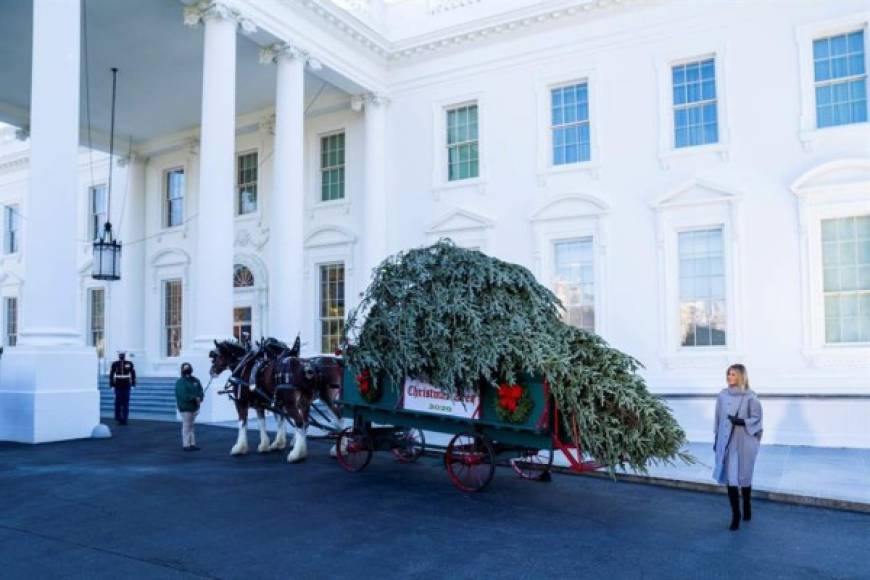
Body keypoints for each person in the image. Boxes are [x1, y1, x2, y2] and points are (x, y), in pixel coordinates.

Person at [713, 364, 763, 531]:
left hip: (744, 441)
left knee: (744, 476)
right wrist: (716, 439)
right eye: (728, 374)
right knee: (730, 477)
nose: (729, 377)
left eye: (733, 374)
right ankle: (736, 515)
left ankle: (747, 504)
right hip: (727, 442)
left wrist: (741, 422)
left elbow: (757, 419)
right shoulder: (721, 395)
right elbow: (718, 419)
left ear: (741, 376)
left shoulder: (751, 397)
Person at [175, 362, 204, 451]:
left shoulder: (195, 380)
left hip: (195, 407)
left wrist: (200, 397)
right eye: (185, 368)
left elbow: (200, 390)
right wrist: (194, 398)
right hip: (185, 407)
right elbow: (183, 394)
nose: (187, 369)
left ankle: (192, 443)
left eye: (188, 367)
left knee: (192, 426)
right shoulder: (180, 382)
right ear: (182, 370)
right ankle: (186, 445)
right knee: (186, 426)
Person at [109, 352, 136, 425]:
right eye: (120, 355)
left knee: (125, 402)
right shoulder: (115, 364)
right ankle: (118, 418)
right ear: (119, 356)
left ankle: (125, 418)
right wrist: (111, 384)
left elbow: (133, 374)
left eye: (122, 355)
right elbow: (111, 374)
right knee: (118, 402)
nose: (121, 356)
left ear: (124, 355)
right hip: (118, 385)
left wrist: (133, 384)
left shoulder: (129, 363)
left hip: (126, 384)